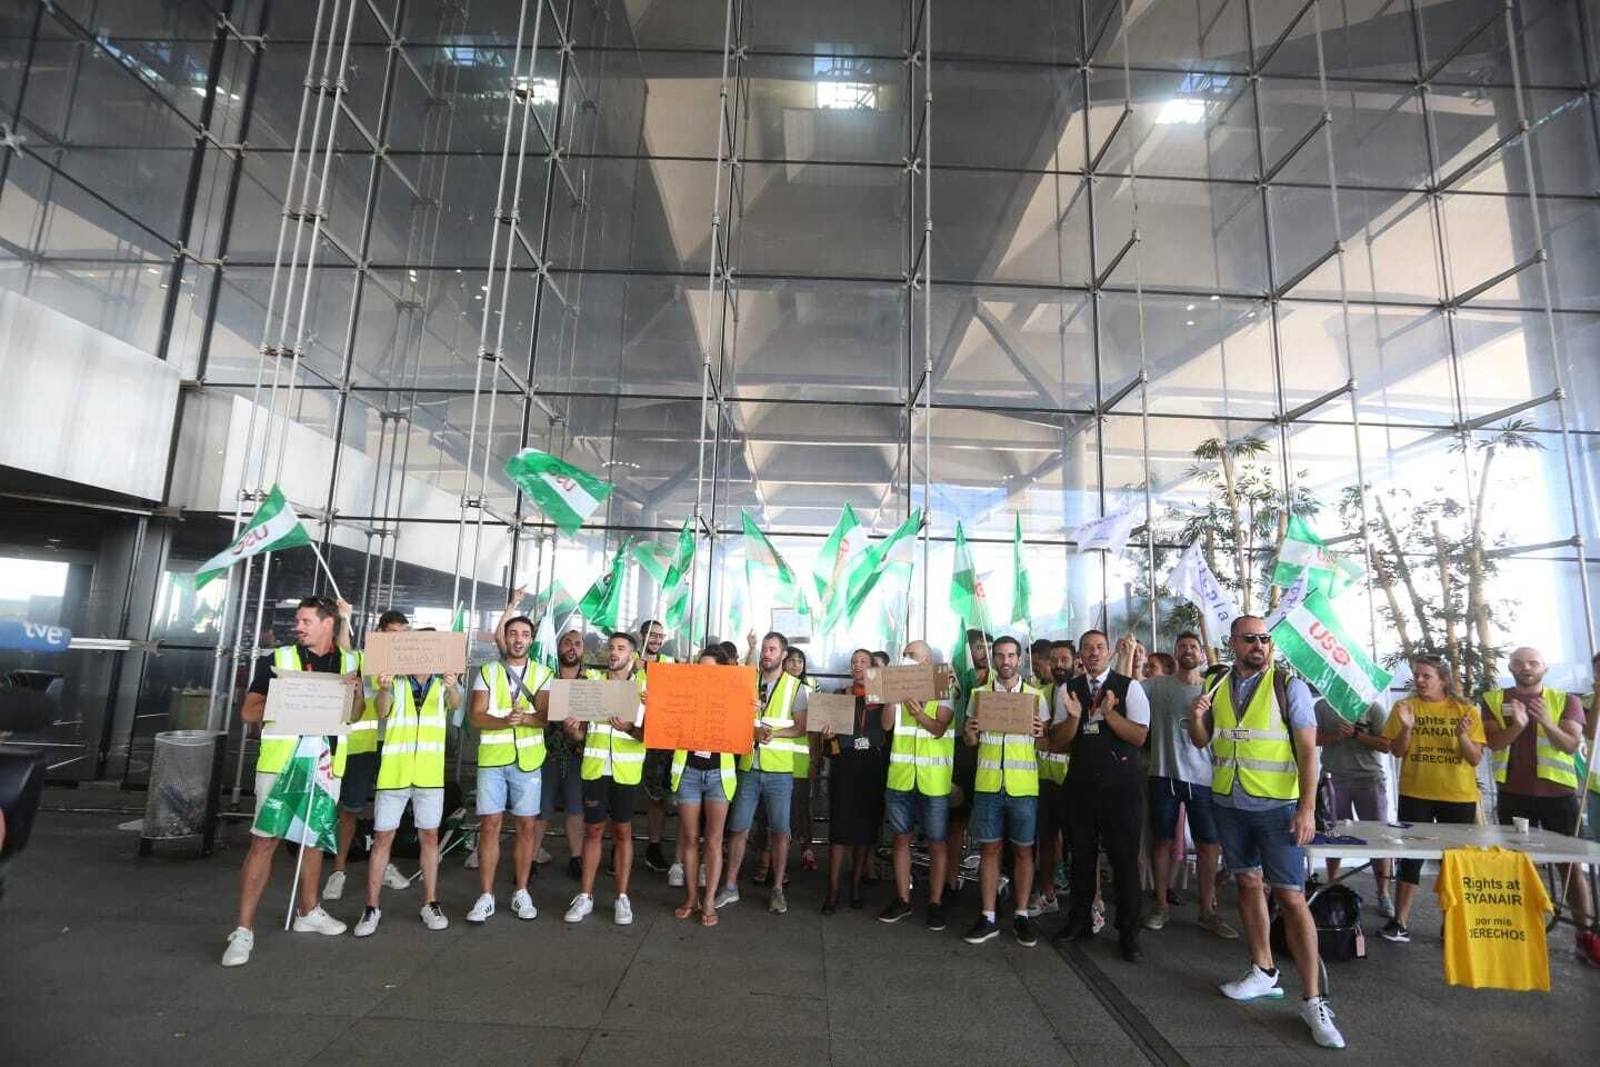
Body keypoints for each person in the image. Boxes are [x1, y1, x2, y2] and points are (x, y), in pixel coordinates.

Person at [1188, 615, 1344, 1050]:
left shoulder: (1287, 686)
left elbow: (1309, 752)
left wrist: (1307, 808)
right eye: (1250, 639)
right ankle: (1262, 970)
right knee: (1247, 882)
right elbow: (1202, 741)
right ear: (1233, 642)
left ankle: (1314, 1000)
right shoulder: (1216, 684)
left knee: (1292, 896)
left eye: (1265, 639)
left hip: (1277, 808)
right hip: (1228, 802)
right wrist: (1194, 716)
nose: (1259, 645)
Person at [221, 596, 359, 967]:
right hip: (282, 763)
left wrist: (355, 693)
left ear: (328, 623)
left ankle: (309, 911)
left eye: (306, 621)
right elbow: (248, 711)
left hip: (326, 763)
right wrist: (291, 698)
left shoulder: (349, 662)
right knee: (265, 841)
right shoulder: (277, 660)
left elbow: (355, 714)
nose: (298, 626)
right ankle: (243, 930)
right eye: (298, 621)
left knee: (313, 839)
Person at [1480, 645, 1598, 965]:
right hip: (1513, 796)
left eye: (1533, 662)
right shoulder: (1493, 700)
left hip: (1559, 797)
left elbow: (1571, 745)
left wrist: (1546, 720)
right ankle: (1520, 933)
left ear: (1544, 667)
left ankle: (1585, 935)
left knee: (1571, 868)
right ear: (1511, 667)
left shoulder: (1565, 700)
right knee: (1517, 867)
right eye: (1519, 663)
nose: (1526, 667)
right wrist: (1517, 726)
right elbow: (1492, 743)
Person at [1051, 629, 1150, 962]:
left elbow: (1138, 737)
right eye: (1087, 648)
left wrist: (1108, 714)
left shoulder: (1129, 687)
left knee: (1124, 862)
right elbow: (1058, 740)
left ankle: (1129, 933)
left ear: (1108, 652)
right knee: (1080, 859)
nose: (1094, 653)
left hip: (1121, 789)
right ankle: (1078, 921)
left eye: (1099, 647)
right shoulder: (1069, 690)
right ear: (1080, 655)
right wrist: (1075, 717)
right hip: (1080, 788)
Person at [353, 641, 460, 937]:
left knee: (429, 837)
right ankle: (371, 907)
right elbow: (382, 712)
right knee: (383, 837)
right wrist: (385, 688)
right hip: (394, 773)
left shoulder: (443, 682)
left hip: (428, 775)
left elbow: (455, 704)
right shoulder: (394, 680)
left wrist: (452, 686)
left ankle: (431, 902)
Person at [1378, 654, 1484, 943]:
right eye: (1417, 675)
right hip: (1415, 793)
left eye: (1427, 676)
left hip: (1458, 796)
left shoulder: (1465, 710)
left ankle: (1452, 923)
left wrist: (1462, 737)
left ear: (1443, 679)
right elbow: (1396, 752)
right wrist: (1408, 728)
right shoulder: (1404, 707)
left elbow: (1475, 758)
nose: (1420, 681)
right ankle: (1399, 922)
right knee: (1410, 858)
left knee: (1454, 860)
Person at [1141, 633, 1235, 939]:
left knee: (1209, 845)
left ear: (1201, 654)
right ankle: (1160, 904)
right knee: (1162, 842)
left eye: (1193, 647)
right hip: (1163, 775)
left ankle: (1207, 910)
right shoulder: (1158, 685)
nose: (1188, 651)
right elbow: (1129, 692)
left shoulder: (1216, 689)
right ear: (1175, 653)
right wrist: (1131, 656)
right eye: (1182, 647)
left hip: (1205, 779)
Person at [961, 636, 1048, 947]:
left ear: (1019, 658)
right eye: (1000, 655)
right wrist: (970, 734)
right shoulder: (979, 695)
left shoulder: (1036, 696)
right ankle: (987, 916)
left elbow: (1044, 743)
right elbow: (972, 743)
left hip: (1023, 788)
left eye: (1011, 655)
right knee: (989, 850)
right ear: (993, 659)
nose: (1006, 661)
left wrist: (1041, 734)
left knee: (1024, 851)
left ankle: (1022, 915)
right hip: (988, 785)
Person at [464, 614, 551, 924]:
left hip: (528, 761)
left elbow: (544, 716)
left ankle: (521, 891)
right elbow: (475, 716)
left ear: (531, 639)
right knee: (490, 825)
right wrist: (503, 721)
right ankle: (485, 896)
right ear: (507, 637)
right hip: (493, 760)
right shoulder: (487, 671)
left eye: (524, 634)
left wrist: (524, 719)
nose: (518, 639)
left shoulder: (543, 673)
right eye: (513, 633)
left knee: (527, 827)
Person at [323, 609, 411, 903]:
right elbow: (346, 650)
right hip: (362, 746)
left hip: (395, 745)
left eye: (402, 636)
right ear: (380, 634)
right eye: (392, 635)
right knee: (350, 809)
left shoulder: (411, 668)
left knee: (389, 810)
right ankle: (339, 870)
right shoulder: (361, 659)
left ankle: (383, 865)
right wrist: (345, 617)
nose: (397, 641)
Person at [718, 631, 808, 915]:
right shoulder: (748, 683)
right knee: (738, 829)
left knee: (781, 832)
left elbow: (800, 728)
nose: (767, 654)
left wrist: (772, 733)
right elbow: (729, 716)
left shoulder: (796, 688)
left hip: (780, 772)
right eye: (765, 649)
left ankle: (778, 889)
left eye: (772, 649)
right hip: (747, 767)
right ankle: (730, 886)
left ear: (783, 654)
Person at [563, 632, 647, 925]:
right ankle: (585, 896)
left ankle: (621, 898)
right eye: (611, 647)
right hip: (596, 767)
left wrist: (629, 728)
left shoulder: (644, 688)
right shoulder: (591, 682)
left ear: (633, 655)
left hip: (626, 770)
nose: (614, 652)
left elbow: (651, 735)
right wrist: (572, 728)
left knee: (623, 832)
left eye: (621, 648)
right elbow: (580, 733)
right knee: (594, 830)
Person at [880, 639, 955, 929]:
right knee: (901, 838)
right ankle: (902, 899)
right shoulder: (896, 688)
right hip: (900, 778)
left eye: (914, 655)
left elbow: (940, 727)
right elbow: (886, 726)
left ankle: (935, 902)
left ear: (927, 663)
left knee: (936, 841)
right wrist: (890, 698)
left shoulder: (942, 684)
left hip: (933, 782)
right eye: (905, 655)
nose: (907, 659)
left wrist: (919, 713)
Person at [671, 646, 743, 925]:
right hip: (687, 773)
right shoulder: (684, 695)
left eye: (710, 668)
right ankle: (691, 897)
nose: (703, 673)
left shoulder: (733, 699)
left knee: (713, 841)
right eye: (699, 667)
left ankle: (709, 899)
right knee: (690, 839)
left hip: (718, 776)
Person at [1313, 684, 1394, 921]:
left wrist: (1358, 735)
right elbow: (1311, 737)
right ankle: (1331, 886)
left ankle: (1383, 893)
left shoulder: (1373, 708)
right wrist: (1335, 736)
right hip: (1333, 779)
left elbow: (1387, 745)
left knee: (1379, 838)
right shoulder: (1322, 707)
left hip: (1369, 779)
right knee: (1333, 835)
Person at [822, 649, 892, 913]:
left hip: (870, 767)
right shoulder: (840, 696)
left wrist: (889, 699)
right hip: (844, 766)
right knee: (839, 830)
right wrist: (829, 737)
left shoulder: (881, 698)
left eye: (864, 662)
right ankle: (832, 891)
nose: (858, 666)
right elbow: (830, 742)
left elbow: (885, 728)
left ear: (873, 667)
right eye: (854, 662)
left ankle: (855, 886)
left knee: (864, 831)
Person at [532, 628, 588, 881]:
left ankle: (576, 859)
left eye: (577, 643)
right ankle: (530, 859)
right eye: (567, 643)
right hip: (546, 753)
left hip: (578, 755)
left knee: (576, 809)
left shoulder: (591, 683)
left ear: (582, 650)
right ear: (559, 647)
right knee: (541, 810)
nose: (572, 648)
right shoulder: (545, 679)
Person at [944, 628, 991, 905]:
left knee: (990, 828)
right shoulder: (956, 679)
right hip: (961, 754)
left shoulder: (1002, 681)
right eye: (977, 647)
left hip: (992, 758)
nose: (982, 652)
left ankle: (989, 884)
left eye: (988, 646)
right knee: (956, 824)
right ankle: (950, 881)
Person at [1031, 639, 1076, 917]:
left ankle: (1088, 902)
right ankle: (1048, 893)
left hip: (1075, 780)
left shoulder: (1082, 693)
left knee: (1081, 842)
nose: (1058, 665)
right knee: (1047, 839)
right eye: (1054, 660)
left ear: (1074, 662)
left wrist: (1052, 741)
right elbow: (1039, 736)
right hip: (1043, 779)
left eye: (1064, 659)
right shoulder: (1040, 693)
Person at [636, 619, 677, 878]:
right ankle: (618, 851)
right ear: (641, 635)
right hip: (625, 737)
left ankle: (653, 846)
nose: (657, 639)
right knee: (622, 796)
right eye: (652, 634)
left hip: (659, 739)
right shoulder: (628, 659)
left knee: (657, 797)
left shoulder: (671, 664)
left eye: (661, 635)